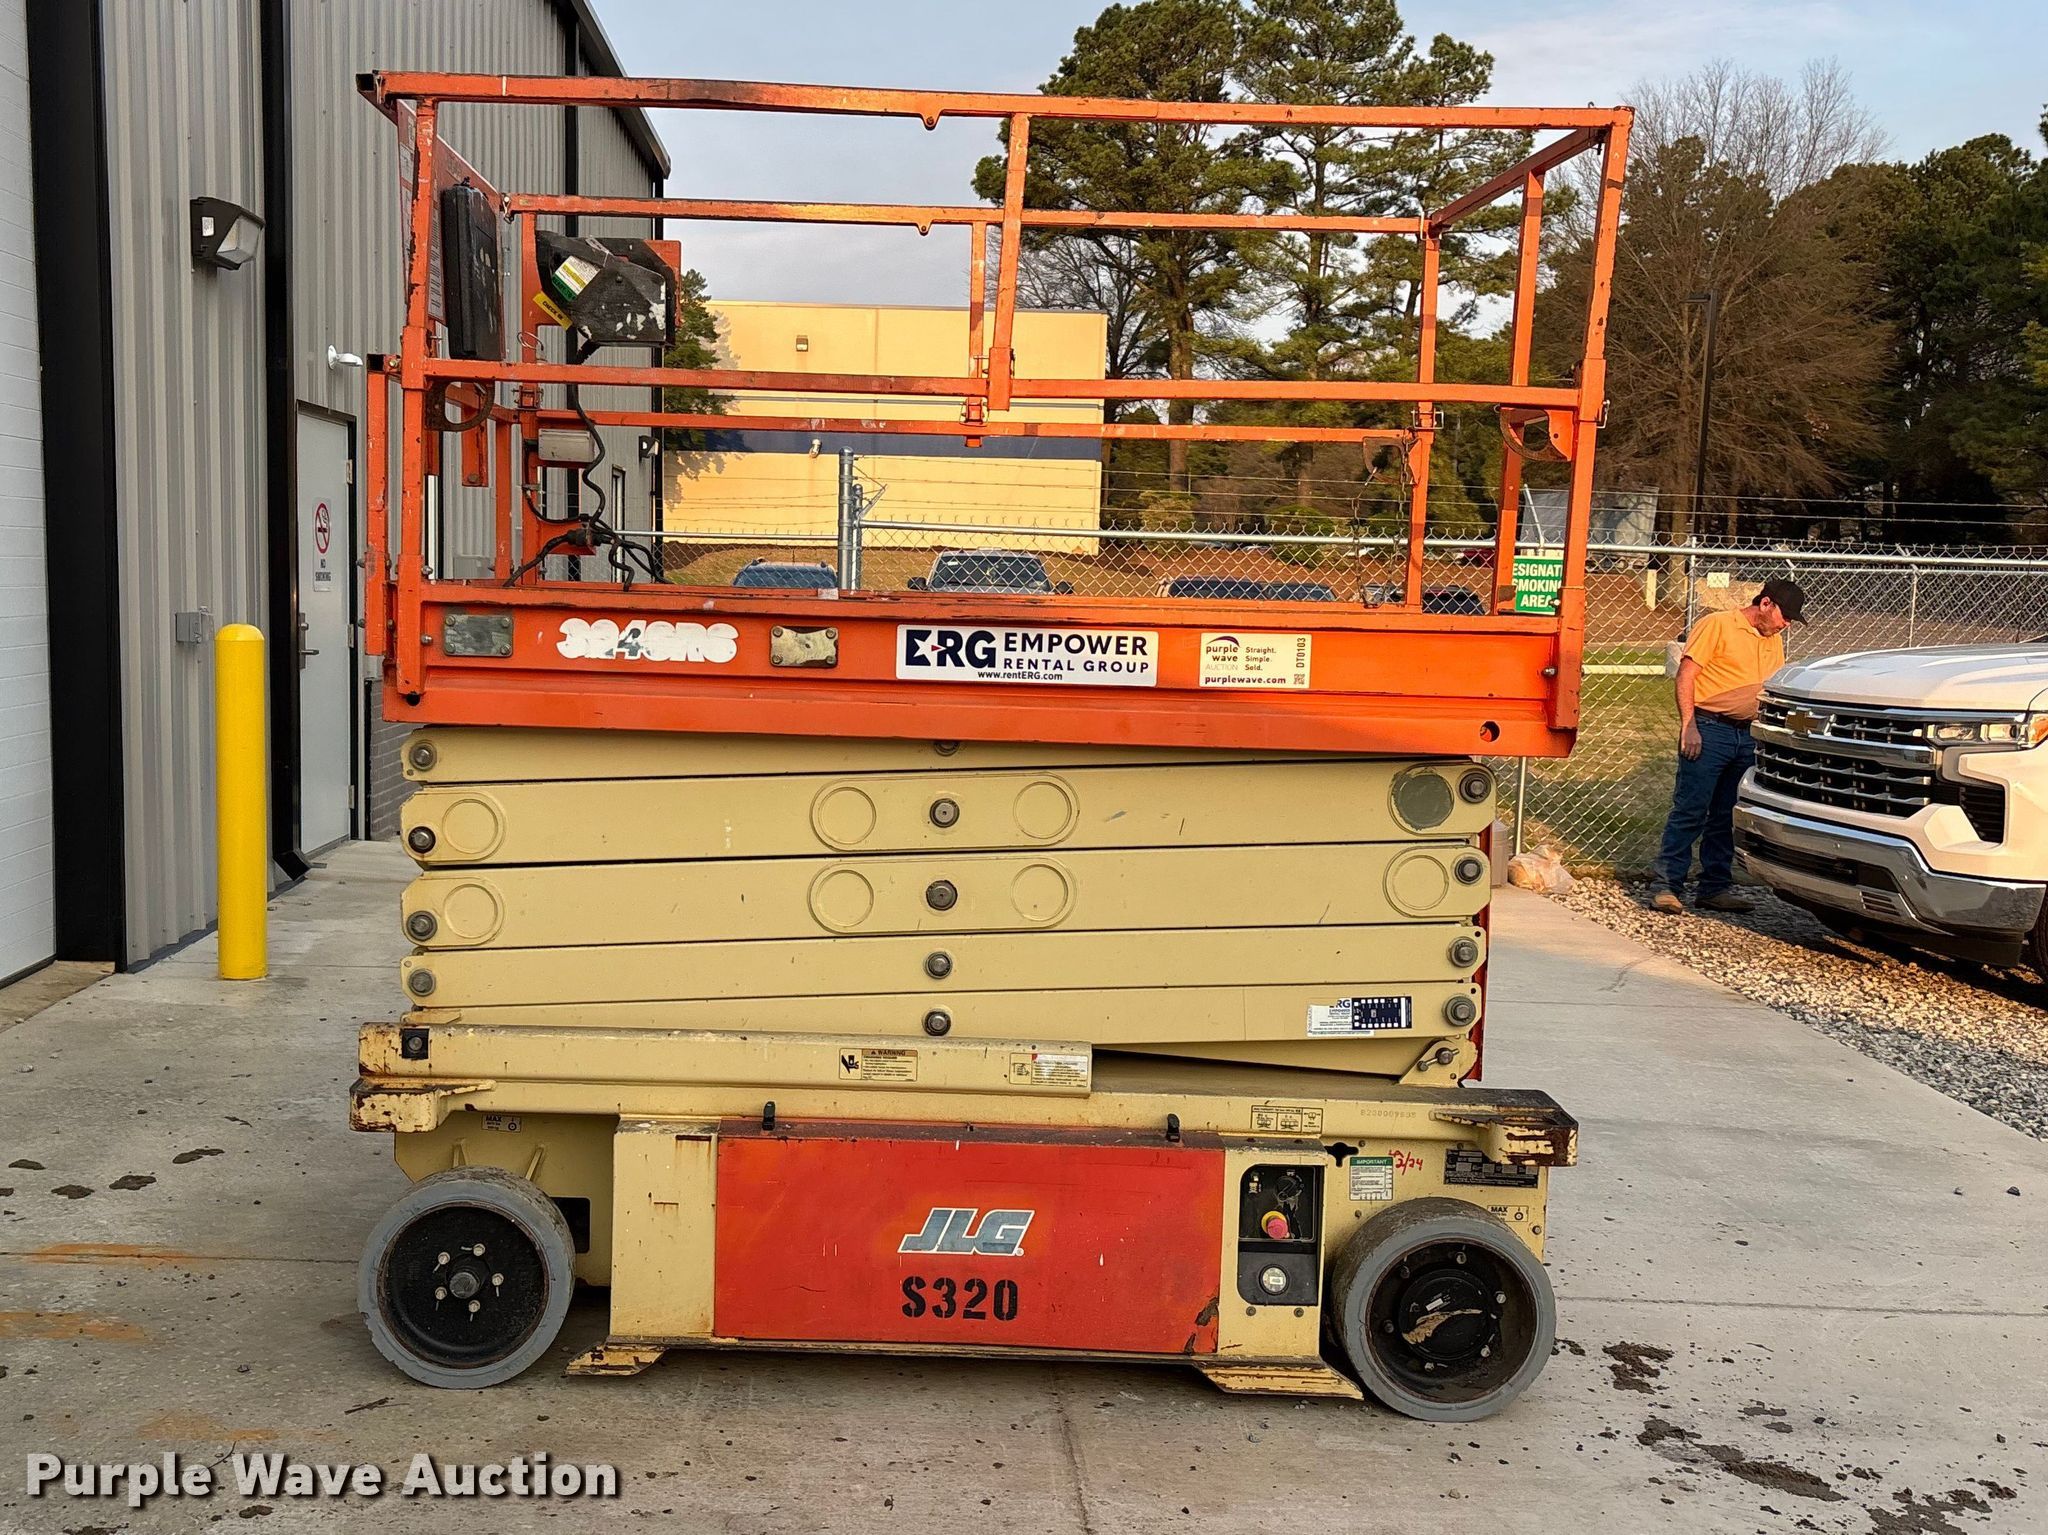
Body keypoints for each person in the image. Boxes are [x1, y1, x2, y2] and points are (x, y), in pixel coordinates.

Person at [1648, 577, 1806, 914]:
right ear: (1766, 604)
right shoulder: (1718, 625)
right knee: (1691, 809)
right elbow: (1687, 674)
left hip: (1747, 734)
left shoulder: (1772, 639)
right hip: (1709, 728)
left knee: (1726, 814)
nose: (1787, 625)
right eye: (1786, 616)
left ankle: (1714, 888)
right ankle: (1667, 885)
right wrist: (1689, 725)